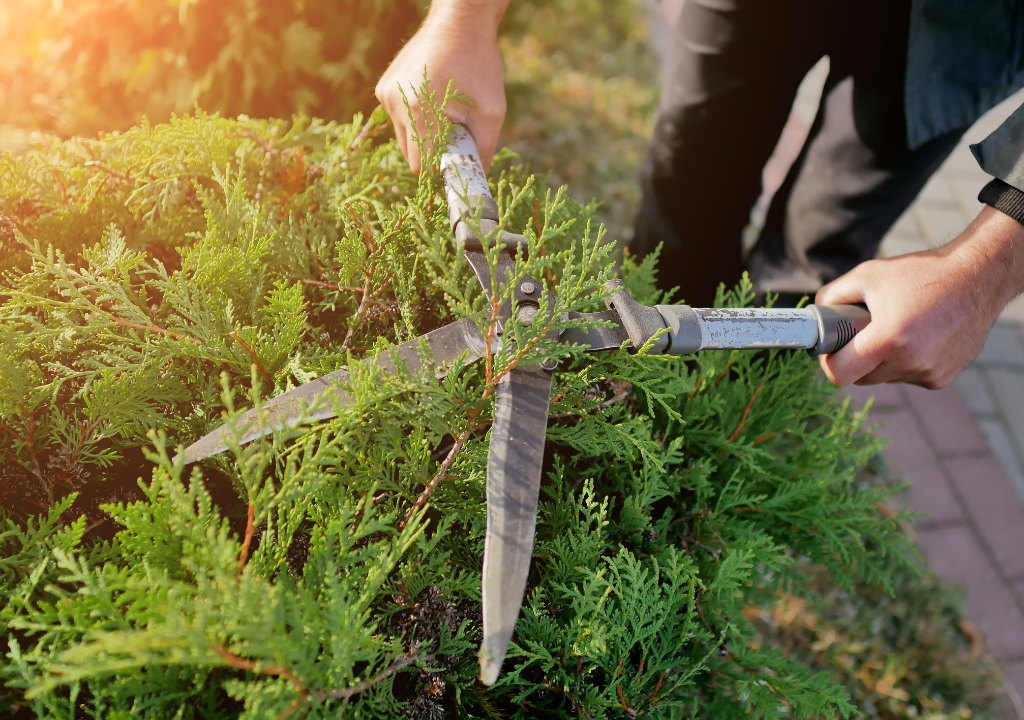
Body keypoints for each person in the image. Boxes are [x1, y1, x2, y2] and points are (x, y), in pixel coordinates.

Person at [375, 0, 1024, 389]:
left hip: (958, 24)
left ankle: (729, 422)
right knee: (688, 188)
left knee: (816, 255)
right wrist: (461, 17)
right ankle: (643, 390)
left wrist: (985, 267)